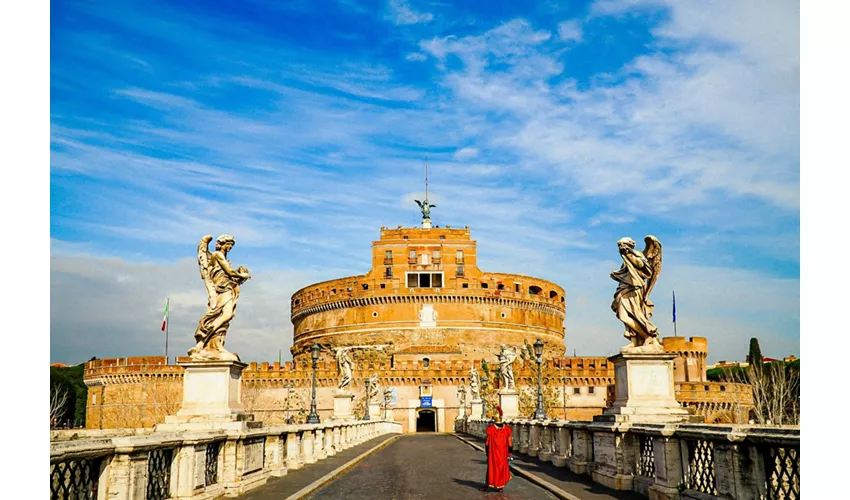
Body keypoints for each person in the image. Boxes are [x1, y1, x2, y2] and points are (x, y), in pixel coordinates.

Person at [481, 406, 513, 492]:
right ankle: (500, 487)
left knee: (491, 469)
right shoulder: (507, 429)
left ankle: (487, 485)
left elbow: (487, 443)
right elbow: (510, 443)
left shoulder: (491, 429)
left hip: (493, 453)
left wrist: (487, 454)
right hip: (503, 454)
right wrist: (509, 453)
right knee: (501, 469)